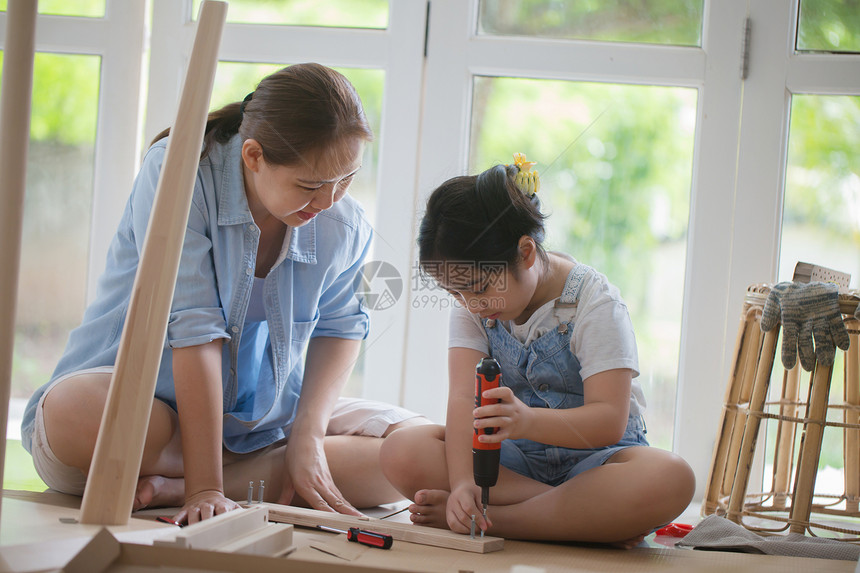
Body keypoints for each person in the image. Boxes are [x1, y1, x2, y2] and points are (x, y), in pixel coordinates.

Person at [21, 63, 427, 524]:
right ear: (253, 156)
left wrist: (309, 437)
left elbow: (342, 326)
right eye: (311, 185)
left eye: (347, 178)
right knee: (71, 413)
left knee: (413, 448)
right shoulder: (179, 173)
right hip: (148, 426)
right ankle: (239, 476)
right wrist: (204, 488)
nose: (332, 200)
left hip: (259, 425)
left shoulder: (341, 222)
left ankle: (222, 476)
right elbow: (195, 331)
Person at [379, 154, 695, 547]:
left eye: (477, 288)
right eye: (455, 292)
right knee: (401, 449)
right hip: (512, 466)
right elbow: (462, 398)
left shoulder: (594, 304)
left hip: (597, 462)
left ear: (525, 253)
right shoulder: (473, 306)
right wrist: (463, 484)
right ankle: (579, 517)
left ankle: (495, 521)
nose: (470, 304)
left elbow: (609, 420)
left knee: (671, 476)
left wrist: (527, 421)